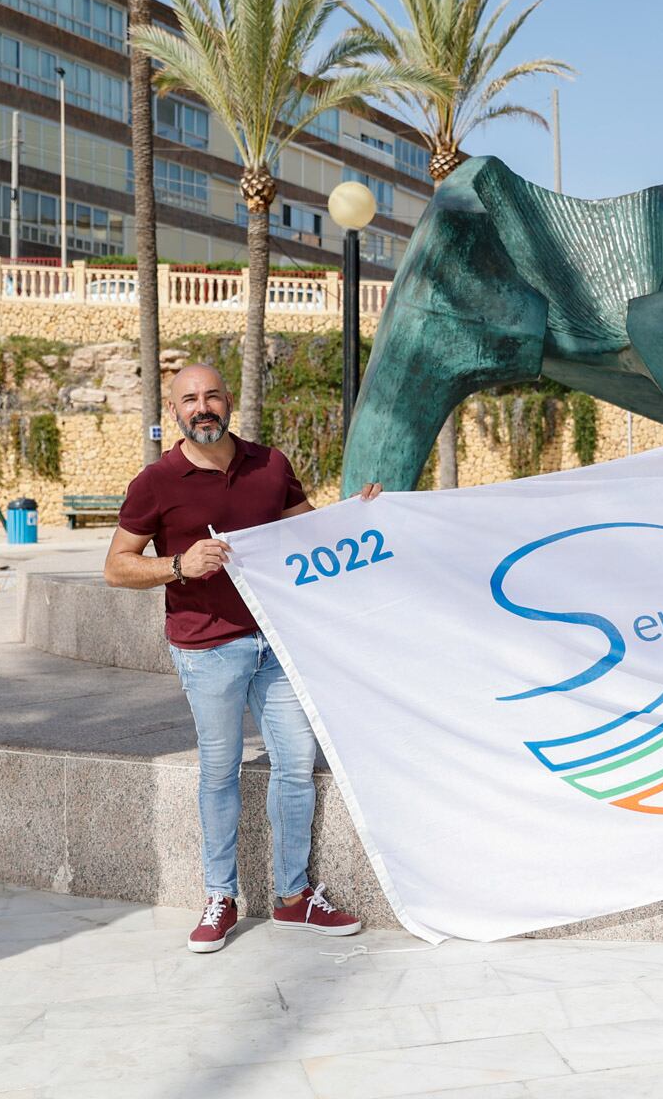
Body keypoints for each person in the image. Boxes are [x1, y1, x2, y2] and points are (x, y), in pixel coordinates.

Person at [106, 363, 382, 954]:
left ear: (228, 402)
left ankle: (293, 897)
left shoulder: (269, 465)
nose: (201, 407)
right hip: (207, 648)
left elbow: (312, 534)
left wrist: (358, 513)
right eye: (189, 400)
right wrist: (179, 565)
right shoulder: (156, 481)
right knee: (219, 770)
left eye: (211, 396)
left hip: (277, 643)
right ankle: (220, 896)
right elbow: (116, 566)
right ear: (174, 411)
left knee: (295, 765)